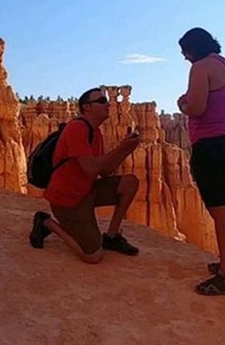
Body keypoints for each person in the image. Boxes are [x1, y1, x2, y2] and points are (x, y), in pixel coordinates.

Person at [29, 87, 141, 263]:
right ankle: (46, 223)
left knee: (130, 183)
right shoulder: (77, 128)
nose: (108, 104)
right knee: (93, 256)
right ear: (87, 107)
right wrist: (120, 149)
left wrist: (125, 151)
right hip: (67, 202)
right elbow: (90, 168)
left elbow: (102, 171)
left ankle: (111, 237)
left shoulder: (95, 132)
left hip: (86, 191)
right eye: (102, 101)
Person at [177, 27, 225, 295]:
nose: (184, 57)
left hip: (211, 144)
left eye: (185, 51)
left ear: (194, 48)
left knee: (218, 210)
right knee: (223, 209)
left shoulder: (201, 67)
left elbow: (196, 107)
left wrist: (182, 103)